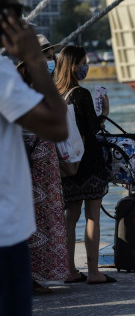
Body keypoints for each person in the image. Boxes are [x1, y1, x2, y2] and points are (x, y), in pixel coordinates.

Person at [0, 0, 67, 316]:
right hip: (4, 236)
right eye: (14, 8)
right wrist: (37, 62)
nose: (21, 18)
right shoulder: (0, 73)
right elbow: (57, 126)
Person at [55, 45, 114, 285]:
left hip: (68, 163)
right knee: (92, 216)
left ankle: (68, 269)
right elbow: (91, 129)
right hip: (88, 162)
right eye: (83, 62)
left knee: (71, 216)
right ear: (74, 66)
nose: (86, 67)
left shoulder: (56, 94)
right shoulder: (81, 94)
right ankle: (93, 271)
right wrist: (103, 113)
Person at [17, 35, 69, 294]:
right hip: (33, 163)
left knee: (46, 217)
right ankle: (32, 277)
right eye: (47, 57)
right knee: (36, 220)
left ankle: (37, 275)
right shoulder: (26, 90)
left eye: (52, 57)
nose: (52, 62)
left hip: (41, 162)